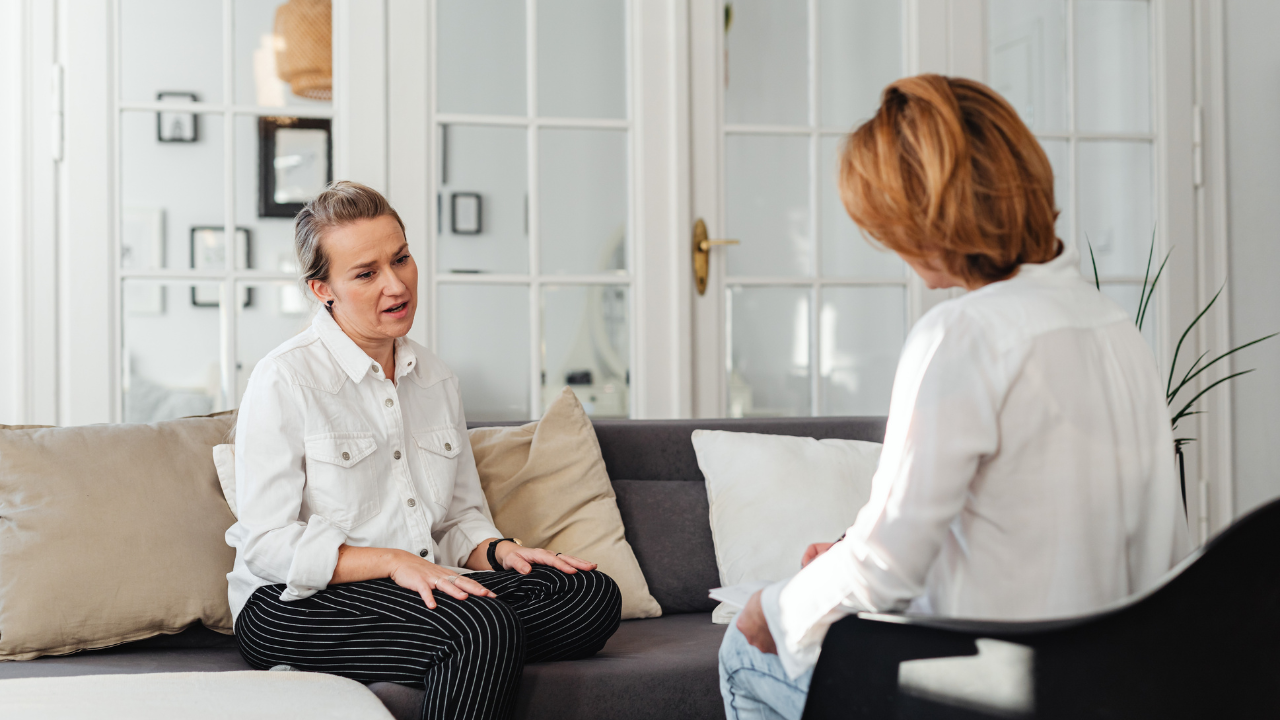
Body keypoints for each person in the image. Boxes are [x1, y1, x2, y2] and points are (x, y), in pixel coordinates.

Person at [719, 75, 1191, 720]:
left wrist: (775, 605)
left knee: (742, 655)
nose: (887, 241)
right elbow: (1044, 527)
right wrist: (850, 554)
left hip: (998, 689)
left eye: (888, 219)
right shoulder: (1114, 329)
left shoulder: (962, 335)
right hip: (1116, 683)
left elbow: (887, 569)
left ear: (929, 215)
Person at [226, 181, 622, 720]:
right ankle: (459, 643)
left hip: (421, 590)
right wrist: (392, 563)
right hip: (293, 602)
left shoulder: (436, 379)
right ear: (323, 289)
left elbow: (459, 517)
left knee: (591, 597)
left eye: (402, 259)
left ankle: (440, 646)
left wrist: (500, 551)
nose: (396, 285)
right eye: (366, 274)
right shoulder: (284, 379)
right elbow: (267, 545)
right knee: (483, 626)